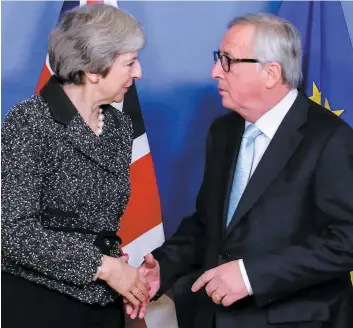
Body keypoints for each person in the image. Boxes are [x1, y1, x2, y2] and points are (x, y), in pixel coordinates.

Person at [125, 12, 353, 328]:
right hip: (215, 317)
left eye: (228, 61)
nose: (215, 71)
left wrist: (251, 276)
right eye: (219, 59)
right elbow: (208, 224)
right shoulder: (224, 132)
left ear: (271, 73)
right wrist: (163, 267)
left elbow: (347, 239)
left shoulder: (331, 139)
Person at [2, 3, 150, 328]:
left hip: (102, 305)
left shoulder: (120, 127)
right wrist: (105, 268)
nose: (138, 73)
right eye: (130, 63)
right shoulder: (29, 122)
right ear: (95, 69)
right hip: (38, 303)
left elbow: (99, 224)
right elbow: (11, 232)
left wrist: (125, 278)